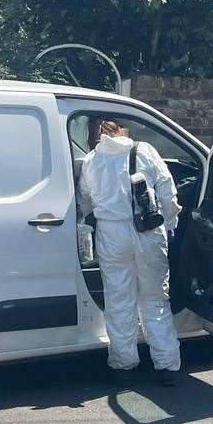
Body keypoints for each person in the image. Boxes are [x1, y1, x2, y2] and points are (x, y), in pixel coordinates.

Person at [77, 117, 182, 385]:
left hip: (111, 234)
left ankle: (124, 366)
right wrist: (170, 222)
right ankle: (167, 367)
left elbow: (85, 201)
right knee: (154, 299)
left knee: (119, 300)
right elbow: (167, 189)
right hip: (147, 231)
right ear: (124, 130)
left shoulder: (91, 160)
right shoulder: (144, 150)